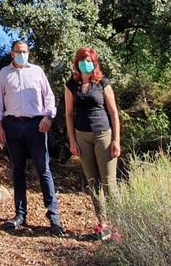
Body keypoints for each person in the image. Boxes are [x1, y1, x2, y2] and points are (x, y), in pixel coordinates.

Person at [0, 40, 63, 236]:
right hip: (13, 125)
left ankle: (53, 216)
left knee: (43, 168)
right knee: (18, 170)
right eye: (18, 51)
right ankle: (20, 215)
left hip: (36, 125)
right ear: (11, 53)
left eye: (24, 51)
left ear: (28, 53)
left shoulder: (37, 71)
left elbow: (49, 96)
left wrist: (49, 117)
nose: (21, 54)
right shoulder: (4, 73)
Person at [64, 47, 122, 241]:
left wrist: (116, 140)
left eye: (88, 60)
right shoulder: (71, 85)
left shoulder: (102, 83)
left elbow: (114, 113)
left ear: (94, 62)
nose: (85, 63)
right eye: (82, 60)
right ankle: (102, 224)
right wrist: (72, 140)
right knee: (93, 183)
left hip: (103, 135)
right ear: (77, 63)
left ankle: (118, 226)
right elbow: (69, 114)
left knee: (109, 183)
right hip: (82, 136)